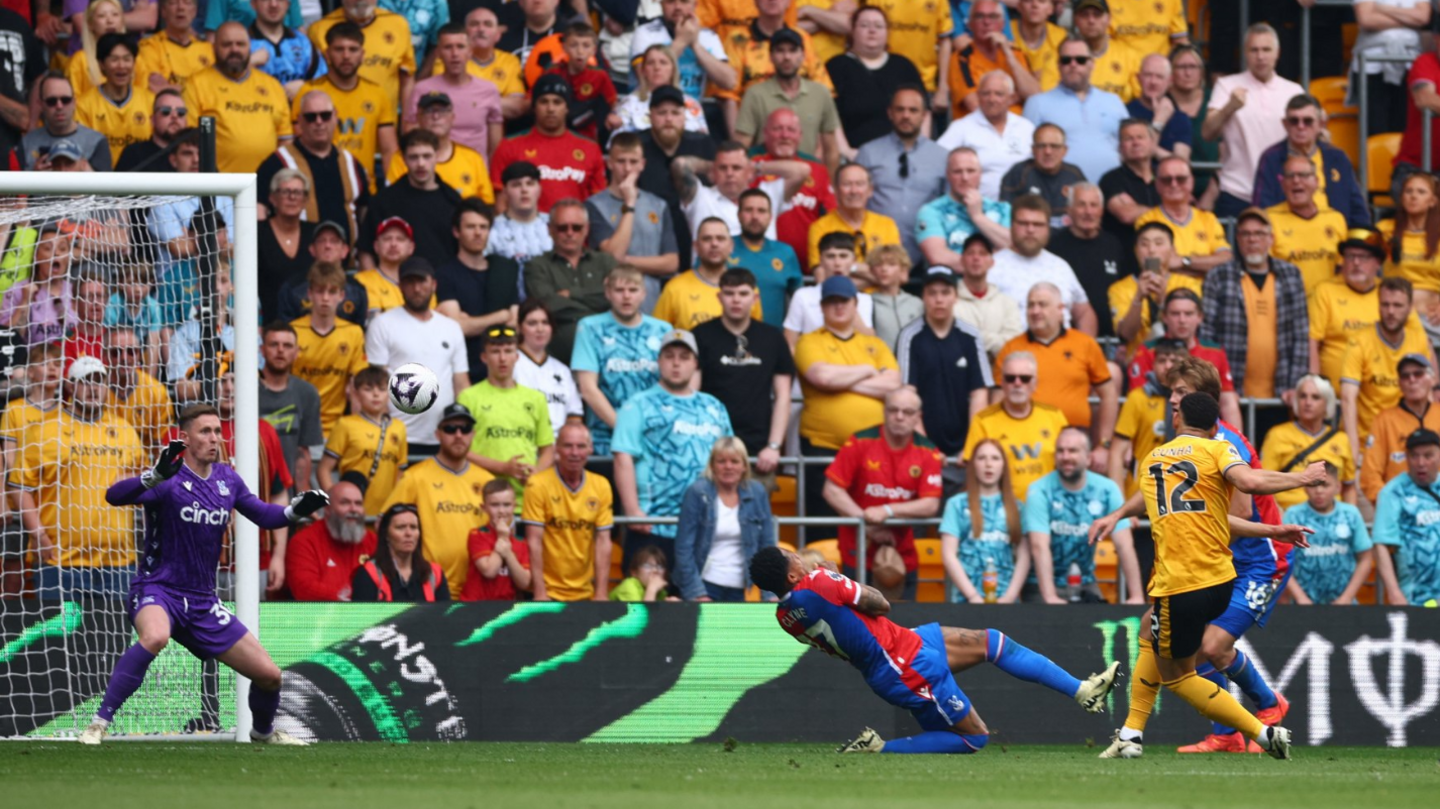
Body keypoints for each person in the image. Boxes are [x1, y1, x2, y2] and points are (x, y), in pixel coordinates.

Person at [1090, 391, 1318, 761]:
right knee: (1150, 631)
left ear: (1177, 421)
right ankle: (1130, 735)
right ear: (1215, 427)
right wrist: (1274, 527)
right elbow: (1229, 502)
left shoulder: (1153, 460)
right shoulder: (1218, 449)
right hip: (1220, 580)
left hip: (1179, 583)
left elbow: (1248, 485)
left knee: (1179, 677)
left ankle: (1263, 733)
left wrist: (1303, 478)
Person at [79, 405, 327, 745]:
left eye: (217, 431)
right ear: (185, 438)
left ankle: (263, 734)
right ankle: (97, 725)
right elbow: (113, 495)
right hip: (158, 589)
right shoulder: (168, 480)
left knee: (270, 675)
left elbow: (266, 516)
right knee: (155, 637)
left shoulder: (228, 479)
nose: (215, 438)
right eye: (206, 431)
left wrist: (294, 510)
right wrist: (153, 475)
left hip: (202, 602)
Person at [751, 544, 1121, 754]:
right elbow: (881, 604)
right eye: (791, 556)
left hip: (904, 645)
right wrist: (839, 578)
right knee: (974, 737)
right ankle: (879, 748)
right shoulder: (817, 583)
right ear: (792, 575)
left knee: (992, 641)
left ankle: (1083, 691)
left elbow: (838, 615)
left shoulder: (784, 616)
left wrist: (831, 581)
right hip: (902, 666)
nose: (796, 555)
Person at [8, 356, 144, 599]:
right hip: (59, 559)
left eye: (99, 382)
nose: (93, 388)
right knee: (61, 637)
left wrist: (133, 477)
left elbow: (143, 479)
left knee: (117, 637)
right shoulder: (43, 430)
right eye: (85, 382)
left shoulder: (125, 430)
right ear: (70, 386)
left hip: (118, 561)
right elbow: (19, 487)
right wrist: (38, 535)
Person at [613, 329, 733, 562]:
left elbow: (729, 460)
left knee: (700, 598)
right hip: (654, 525)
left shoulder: (714, 406)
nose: (676, 363)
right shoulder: (638, 404)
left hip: (705, 525)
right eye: (669, 356)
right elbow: (623, 457)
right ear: (659, 361)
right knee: (646, 597)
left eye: (684, 357)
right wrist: (632, 510)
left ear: (695, 364)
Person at [822, 386, 943, 596]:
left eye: (907, 412)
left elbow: (930, 504)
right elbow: (832, 489)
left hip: (901, 554)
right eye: (893, 410)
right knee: (856, 625)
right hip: (858, 549)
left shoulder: (928, 451)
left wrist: (887, 511)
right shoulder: (860, 441)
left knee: (904, 623)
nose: (899, 417)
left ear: (918, 417)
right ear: (884, 411)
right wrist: (867, 524)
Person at [1200, 208, 1310, 434]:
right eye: (1245, 234)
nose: (1252, 240)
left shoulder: (1291, 275)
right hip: (1231, 394)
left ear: (1271, 238)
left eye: (1259, 233)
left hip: (1281, 394)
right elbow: (1207, 337)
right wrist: (1218, 386)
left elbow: (1301, 333)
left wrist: (1295, 384)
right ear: (1237, 239)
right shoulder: (1218, 276)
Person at [381, 404, 492, 598]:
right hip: (428, 585)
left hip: (478, 588)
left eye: (464, 429)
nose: (458, 435)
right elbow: (385, 523)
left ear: (473, 434)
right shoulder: (415, 477)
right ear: (437, 434)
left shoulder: (487, 481)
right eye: (450, 429)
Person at [693, 268, 794, 481]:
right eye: (729, 294)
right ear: (719, 297)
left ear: (755, 298)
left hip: (759, 450)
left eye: (743, 294)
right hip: (709, 445)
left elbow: (783, 396)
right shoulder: (700, 335)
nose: (736, 300)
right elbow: (692, 395)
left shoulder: (773, 338)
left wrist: (774, 446)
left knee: (755, 514)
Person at [365, 258, 469, 460]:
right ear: (400, 286)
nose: (417, 288)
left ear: (434, 284)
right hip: (397, 436)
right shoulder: (382, 324)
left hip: (444, 436)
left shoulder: (451, 328)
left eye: (422, 281)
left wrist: (461, 429)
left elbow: (461, 383)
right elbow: (376, 382)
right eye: (410, 282)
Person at [1022, 426, 1136, 603]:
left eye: (1073, 451)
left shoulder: (1107, 489)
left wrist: (1136, 596)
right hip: (1041, 586)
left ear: (1089, 458)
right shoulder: (1039, 490)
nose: (1066, 457)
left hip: (1086, 583)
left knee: (1102, 627)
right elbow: (1039, 546)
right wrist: (1050, 597)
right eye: (1060, 451)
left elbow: (1124, 545)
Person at [1203, 23, 1305, 217]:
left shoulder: (1294, 91)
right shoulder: (1226, 86)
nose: (1260, 56)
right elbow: (1207, 133)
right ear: (1245, 53)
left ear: (1277, 52)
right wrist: (1229, 107)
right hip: (1236, 191)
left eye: (1266, 50)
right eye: (1254, 50)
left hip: (1281, 192)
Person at [571, 265, 669, 457]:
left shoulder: (662, 330)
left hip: (654, 434)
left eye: (633, 290)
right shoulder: (590, 328)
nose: (626, 296)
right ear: (608, 293)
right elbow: (588, 389)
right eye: (619, 290)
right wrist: (627, 430)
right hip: (605, 438)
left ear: (643, 293)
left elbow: (670, 384)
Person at [896, 270, 990, 471]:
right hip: (921, 443)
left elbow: (979, 394)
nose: (939, 300)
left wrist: (972, 444)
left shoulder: (970, 336)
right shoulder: (910, 336)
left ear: (955, 296)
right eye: (932, 293)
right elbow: (906, 394)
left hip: (964, 448)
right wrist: (925, 446)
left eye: (945, 292)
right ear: (923, 296)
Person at [995, 283, 1115, 439]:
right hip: (1024, 436)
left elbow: (1109, 394)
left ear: (1060, 310)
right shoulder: (1011, 348)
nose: (1035, 311)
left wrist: (1104, 444)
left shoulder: (1085, 344)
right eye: (1031, 305)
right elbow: (997, 399)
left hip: (1074, 438)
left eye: (1042, 305)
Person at [255, 90, 370, 247]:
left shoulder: (352, 163)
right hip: (293, 267)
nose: (319, 121)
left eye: (325, 115)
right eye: (311, 117)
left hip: (347, 266)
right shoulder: (276, 163)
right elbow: (258, 210)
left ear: (335, 116)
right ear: (299, 121)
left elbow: (365, 213)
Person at [1341, 277, 1438, 462]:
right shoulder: (1359, 341)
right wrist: (1353, 451)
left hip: (1410, 447)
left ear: (1410, 308)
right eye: (1385, 305)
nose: (1390, 311)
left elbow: (1429, 395)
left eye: (1397, 305)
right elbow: (1347, 398)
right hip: (1367, 445)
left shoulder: (1418, 340)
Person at [456, 325, 555, 498]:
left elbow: (548, 449)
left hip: (527, 498)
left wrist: (536, 472)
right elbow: (460, 450)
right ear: (484, 357)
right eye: (495, 352)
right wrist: (502, 468)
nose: (503, 358)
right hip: (482, 497)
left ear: (517, 357)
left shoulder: (535, 398)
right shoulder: (469, 397)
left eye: (508, 351)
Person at [296, 22, 396, 192]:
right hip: (318, 188)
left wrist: (393, 192)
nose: (346, 56)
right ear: (327, 54)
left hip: (364, 188)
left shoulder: (377, 93)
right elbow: (296, 143)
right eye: (339, 49)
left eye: (353, 49)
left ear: (362, 54)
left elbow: (389, 150)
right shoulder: (309, 91)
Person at [586, 132, 680, 314]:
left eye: (633, 162)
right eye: (621, 161)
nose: (627, 169)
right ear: (609, 163)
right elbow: (613, 255)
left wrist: (625, 261)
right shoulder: (593, 205)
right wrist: (629, 203)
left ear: (642, 164)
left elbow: (671, 262)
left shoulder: (658, 205)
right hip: (610, 308)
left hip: (652, 305)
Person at [672, 436, 776, 601]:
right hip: (704, 585)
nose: (728, 466)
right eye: (722, 461)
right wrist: (697, 593)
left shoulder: (757, 492)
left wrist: (770, 592)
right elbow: (684, 547)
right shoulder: (697, 492)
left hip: (740, 587)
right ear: (712, 465)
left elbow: (767, 546)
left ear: (744, 466)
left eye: (734, 461)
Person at [856, 85, 948, 269]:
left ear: (924, 115)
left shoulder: (943, 157)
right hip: (876, 255)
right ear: (890, 113)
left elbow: (948, 206)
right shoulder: (868, 153)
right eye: (900, 109)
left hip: (928, 256)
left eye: (913, 110)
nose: (906, 115)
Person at [523, 422, 614, 602]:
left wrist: (601, 593)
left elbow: (604, 541)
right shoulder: (537, 484)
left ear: (590, 449)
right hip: (548, 592)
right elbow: (534, 541)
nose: (574, 453)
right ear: (557, 448)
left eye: (581, 446)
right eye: (568, 446)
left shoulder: (601, 485)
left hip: (586, 592)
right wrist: (540, 593)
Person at [489, 74, 606, 213]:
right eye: (544, 101)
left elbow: (600, 204)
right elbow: (500, 204)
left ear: (567, 107)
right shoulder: (509, 145)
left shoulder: (590, 149)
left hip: (572, 231)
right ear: (534, 107)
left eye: (557, 102)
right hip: (525, 232)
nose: (550, 109)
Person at [182, 22, 290, 173]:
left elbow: (285, 140)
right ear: (213, 48)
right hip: (218, 186)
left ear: (250, 47)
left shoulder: (272, 85)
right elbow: (189, 141)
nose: (234, 49)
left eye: (240, 44)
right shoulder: (195, 85)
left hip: (266, 187)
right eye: (226, 44)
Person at [1123, 289, 1240, 426]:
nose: (1182, 320)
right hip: (1153, 423)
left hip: (1203, 422)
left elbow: (1226, 399)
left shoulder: (1215, 352)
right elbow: (1138, 397)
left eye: (1188, 314)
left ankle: (1236, 444)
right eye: (1175, 314)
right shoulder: (1147, 351)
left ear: (1200, 317)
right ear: (1164, 317)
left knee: (1230, 397)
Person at [733, 26, 841, 174]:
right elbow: (741, 147)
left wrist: (831, 188)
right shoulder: (755, 94)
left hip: (808, 180)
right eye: (780, 50)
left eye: (792, 50)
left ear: (803, 55)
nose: (787, 57)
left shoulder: (820, 93)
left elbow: (831, 150)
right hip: (766, 176)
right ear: (770, 56)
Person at [963, 351, 1069, 499]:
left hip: (1048, 506)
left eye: (1024, 379)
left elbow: (1068, 464)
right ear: (1002, 383)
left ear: (1035, 383)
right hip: (1002, 510)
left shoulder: (1054, 417)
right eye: (1010, 378)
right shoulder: (983, 420)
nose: (1017, 383)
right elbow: (972, 472)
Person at [523, 198, 618, 364]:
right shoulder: (537, 265)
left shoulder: (606, 262)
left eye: (576, 227)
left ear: (587, 229)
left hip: (607, 357)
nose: (569, 233)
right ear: (550, 229)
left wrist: (570, 294)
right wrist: (597, 312)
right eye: (562, 228)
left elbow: (617, 298)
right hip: (557, 360)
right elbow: (547, 305)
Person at [1252, 94, 1368, 229]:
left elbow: (1358, 209)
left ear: (1321, 124)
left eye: (1307, 121)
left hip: (1334, 238)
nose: (1301, 126)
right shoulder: (1271, 158)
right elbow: (1261, 209)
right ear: (1285, 124)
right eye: (1294, 121)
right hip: (1287, 238)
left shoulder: (1337, 158)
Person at [434, 199, 522, 376]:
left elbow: (515, 324)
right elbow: (457, 328)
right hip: (464, 369)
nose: (478, 233)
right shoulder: (445, 273)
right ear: (456, 231)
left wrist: (473, 322)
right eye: (470, 227)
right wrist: (501, 315)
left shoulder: (504, 269)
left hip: (504, 370)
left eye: (483, 227)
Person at [1021, 36, 1127, 184]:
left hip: (1112, 192)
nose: (1073, 64)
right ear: (1058, 65)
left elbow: (1128, 146)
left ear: (1092, 64)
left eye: (1080, 60)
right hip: (1059, 195)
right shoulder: (1037, 103)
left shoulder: (1113, 101)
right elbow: (1026, 154)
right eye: (1066, 60)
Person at [1308, 228, 1403, 392]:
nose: (1356, 263)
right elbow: (1312, 341)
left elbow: (1418, 340)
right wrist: (1315, 386)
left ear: (1377, 263)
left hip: (1382, 400)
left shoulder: (1390, 293)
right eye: (1351, 256)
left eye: (1363, 257)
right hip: (1335, 399)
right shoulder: (1325, 291)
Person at [987, 195, 1096, 332]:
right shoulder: (991, 267)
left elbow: (1084, 313)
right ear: (1011, 225)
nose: (1031, 230)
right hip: (1012, 351)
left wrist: (1084, 349)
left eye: (1038, 224)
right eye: (1023, 223)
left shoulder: (1060, 266)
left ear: (1048, 229)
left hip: (1062, 352)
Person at [939, 438, 1027, 603]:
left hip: (1007, 602)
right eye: (981, 458)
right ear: (972, 465)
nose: (988, 464)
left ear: (1003, 465)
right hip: (966, 601)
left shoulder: (1018, 507)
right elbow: (948, 554)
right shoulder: (956, 504)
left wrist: (1010, 596)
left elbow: (1024, 555)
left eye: (995, 458)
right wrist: (972, 596)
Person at [824, 6, 922, 153]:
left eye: (878, 26)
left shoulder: (903, 66)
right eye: (864, 25)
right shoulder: (836, 66)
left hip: (902, 155)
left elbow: (924, 111)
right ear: (852, 30)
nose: (872, 30)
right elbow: (828, 115)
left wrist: (918, 148)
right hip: (853, 156)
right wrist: (846, 152)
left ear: (887, 32)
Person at [359, 129, 462, 268]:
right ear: (403, 158)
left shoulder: (453, 200)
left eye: (427, 156)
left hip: (444, 285)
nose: (421, 163)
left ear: (437, 156)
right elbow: (365, 251)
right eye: (414, 157)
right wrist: (373, 288)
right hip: (394, 286)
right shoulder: (384, 200)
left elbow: (463, 252)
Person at [317, 365, 407, 519]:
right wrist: (336, 500)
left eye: (381, 389)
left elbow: (400, 472)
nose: (376, 394)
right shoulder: (345, 425)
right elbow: (324, 469)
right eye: (368, 389)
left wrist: (395, 506)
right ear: (356, 393)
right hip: (352, 512)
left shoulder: (399, 428)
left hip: (384, 513)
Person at [290, 262, 368, 437]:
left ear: (342, 295)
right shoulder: (293, 331)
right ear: (310, 294)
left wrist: (356, 433)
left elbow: (357, 387)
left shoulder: (353, 333)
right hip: (297, 428)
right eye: (319, 291)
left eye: (332, 292)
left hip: (337, 430)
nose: (325, 298)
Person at [1108, 222, 1206, 359]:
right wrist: (1138, 298)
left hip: (1181, 362)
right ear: (1136, 250)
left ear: (1172, 250)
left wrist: (1162, 301)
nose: (1151, 250)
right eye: (1144, 244)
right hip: (1138, 363)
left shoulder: (1189, 284)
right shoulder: (1119, 289)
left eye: (1159, 243)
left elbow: (1192, 329)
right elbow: (1126, 335)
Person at [1260, 374, 1356, 513]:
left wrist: (1349, 518)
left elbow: (1349, 487)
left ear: (1327, 404)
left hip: (1332, 519)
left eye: (1315, 397)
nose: (1308, 402)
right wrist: (1278, 518)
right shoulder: (1277, 435)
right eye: (1303, 396)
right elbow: (1264, 482)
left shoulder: (1341, 439)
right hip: (1288, 516)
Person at [407, 23, 502, 158]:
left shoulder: (489, 90)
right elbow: (411, 139)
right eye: (448, 47)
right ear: (438, 53)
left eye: (460, 47)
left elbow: (495, 148)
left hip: (475, 173)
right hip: (434, 173)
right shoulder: (422, 89)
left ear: (470, 51)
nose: (455, 54)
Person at [1283, 462, 1373, 606]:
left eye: (1325, 485)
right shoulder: (1293, 516)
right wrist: (1300, 597)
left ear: (1338, 487)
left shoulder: (1350, 514)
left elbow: (1365, 558)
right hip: (1302, 606)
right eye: (1313, 484)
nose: (1318, 490)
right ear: (1305, 487)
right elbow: (1283, 560)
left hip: (1345, 605)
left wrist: (1347, 597)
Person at [936, 71, 1034, 202]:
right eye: (986, 93)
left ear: (1011, 98)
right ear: (978, 96)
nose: (992, 99)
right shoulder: (961, 127)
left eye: (999, 94)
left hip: (1020, 209)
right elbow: (935, 163)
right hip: (973, 210)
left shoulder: (1026, 127)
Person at [1109, 337, 1186, 497]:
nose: (1168, 366)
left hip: (1183, 497)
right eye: (1162, 360)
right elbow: (1117, 453)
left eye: (1174, 360)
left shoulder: (1194, 401)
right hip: (1141, 494)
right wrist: (1120, 505)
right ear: (1153, 364)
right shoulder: (1138, 398)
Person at [1372, 427, 1440, 605]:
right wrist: (1394, 592)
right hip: (1416, 597)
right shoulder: (1393, 492)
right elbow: (1381, 545)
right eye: (1414, 456)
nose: (1421, 463)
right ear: (1406, 458)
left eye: (1428, 455)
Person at [1048, 184, 1125, 339]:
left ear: (1101, 211)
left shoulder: (1114, 244)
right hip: (1067, 339)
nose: (1088, 212)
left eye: (1093, 205)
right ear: (1068, 210)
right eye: (1081, 205)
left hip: (1112, 341)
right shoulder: (1053, 247)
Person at [307, 0, 415, 111]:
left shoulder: (398, 24)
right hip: (334, 119)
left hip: (385, 121)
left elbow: (407, 80)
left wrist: (409, 122)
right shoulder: (319, 30)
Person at [918, 147, 1013, 272]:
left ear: (980, 174)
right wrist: (986, 265)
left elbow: (1014, 248)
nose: (965, 177)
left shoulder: (1003, 209)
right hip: (952, 287)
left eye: (971, 171)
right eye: (957, 171)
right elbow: (938, 257)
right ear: (948, 174)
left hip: (997, 288)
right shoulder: (931, 211)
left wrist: (978, 217)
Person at [1134, 156, 1232, 277]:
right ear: (1157, 184)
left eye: (1181, 179)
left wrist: (1183, 261)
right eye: (1166, 179)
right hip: (1166, 293)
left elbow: (1226, 262)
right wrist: (1205, 266)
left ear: (1191, 181)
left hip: (1207, 293)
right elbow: (1151, 266)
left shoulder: (1208, 219)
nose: (1174, 184)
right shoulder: (1146, 220)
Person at [385, 91, 492, 202]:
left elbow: (486, 206)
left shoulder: (473, 158)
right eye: (428, 111)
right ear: (418, 118)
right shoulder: (401, 157)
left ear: (453, 117)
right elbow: (392, 200)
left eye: (443, 111)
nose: (436, 116)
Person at [1264, 154, 1349, 293]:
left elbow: (1342, 268)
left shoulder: (1335, 219)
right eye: (1290, 176)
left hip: (1326, 306)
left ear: (1316, 182)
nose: (1296, 181)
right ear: (1282, 184)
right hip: (1287, 304)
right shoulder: (1267, 219)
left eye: (1303, 175)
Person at [1362, 354, 1440, 503]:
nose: (1412, 380)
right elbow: (1370, 476)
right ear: (1399, 383)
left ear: (1432, 379)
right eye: (1405, 376)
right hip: (1400, 506)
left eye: (1418, 373)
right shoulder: (1384, 420)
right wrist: (1392, 506)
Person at [655, 218, 759, 328]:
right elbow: (657, 334)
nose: (714, 244)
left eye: (720, 238)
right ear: (696, 246)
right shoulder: (675, 288)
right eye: (707, 239)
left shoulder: (747, 289)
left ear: (731, 246)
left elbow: (756, 335)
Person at [628, 0, 736, 105]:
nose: (678, 7)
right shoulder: (645, 33)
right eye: (670, 1)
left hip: (692, 114)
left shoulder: (708, 36)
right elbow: (645, 78)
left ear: (695, 5)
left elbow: (729, 82)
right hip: (647, 110)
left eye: (684, 1)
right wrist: (682, 41)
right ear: (661, 5)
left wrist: (696, 45)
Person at [284, 481, 376, 602]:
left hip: (369, 616)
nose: (353, 509)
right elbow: (304, 589)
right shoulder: (303, 541)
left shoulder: (372, 540)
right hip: (318, 618)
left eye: (358, 504)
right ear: (327, 509)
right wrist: (353, 600)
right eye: (345, 503)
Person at [257, 322, 322, 490]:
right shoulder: (245, 390)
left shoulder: (307, 393)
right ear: (262, 350)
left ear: (296, 353)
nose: (280, 350)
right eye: (273, 344)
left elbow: (302, 451)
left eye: (287, 346)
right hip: (249, 484)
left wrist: (302, 493)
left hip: (286, 489)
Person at [947, 0, 1038, 119]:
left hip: (1018, 129)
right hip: (979, 129)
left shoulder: (1016, 54)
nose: (987, 22)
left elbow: (1035, 97)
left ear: (1003, 24)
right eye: (979, 17)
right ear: (970, 24)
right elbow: (975, 106)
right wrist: (1015, 97)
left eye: (993, 17)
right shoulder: (961, 58)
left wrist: (1009, 55)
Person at [805, 163, 900, 276]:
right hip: (838, 294)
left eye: (860, 184)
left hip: (880, 294)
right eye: (847, 184)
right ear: (835, 190)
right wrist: (875, 275)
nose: (854, 191)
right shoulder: (820, 227)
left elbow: (896, 275)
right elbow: (822, 278)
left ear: (870, 190)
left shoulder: (886, 225)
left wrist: (849, 269)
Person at [74, 34, 153, 166]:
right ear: (101, 64)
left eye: (127, 59)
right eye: (114, 59)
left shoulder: (150, 101)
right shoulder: (83, 105)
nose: (121, 65)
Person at [728, 188, 803, 327]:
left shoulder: (785, 253)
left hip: (773, 341)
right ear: (738, 215)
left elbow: (800, 302)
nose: (755, 216)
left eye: (761, 211)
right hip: (727, 337)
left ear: (770, 217)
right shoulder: (723, 248)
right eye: (748, 210)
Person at [1379, 173, 1440, 341]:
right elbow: (1363, 265)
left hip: (1433, 319)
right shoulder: (1384, 230)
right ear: (1402, 198)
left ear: (1433, 201)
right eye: (1408, 191)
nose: (1413, 196)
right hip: (1394, 319)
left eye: (1421, 192)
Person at [351, 503, 450, 602]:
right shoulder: (368, 574)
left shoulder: (434, 573)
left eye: (413, 527)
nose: (408, 533)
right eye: (400, 527)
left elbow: (445, 616)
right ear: (386, 535)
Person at [513, 298, 583, 437]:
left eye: (545, 322)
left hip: (560, 448)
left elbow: (574, 414)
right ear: (520, 328)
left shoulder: (562, 370)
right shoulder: (510, 364)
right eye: (532, 323)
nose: (540, 329)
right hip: (523, 443)